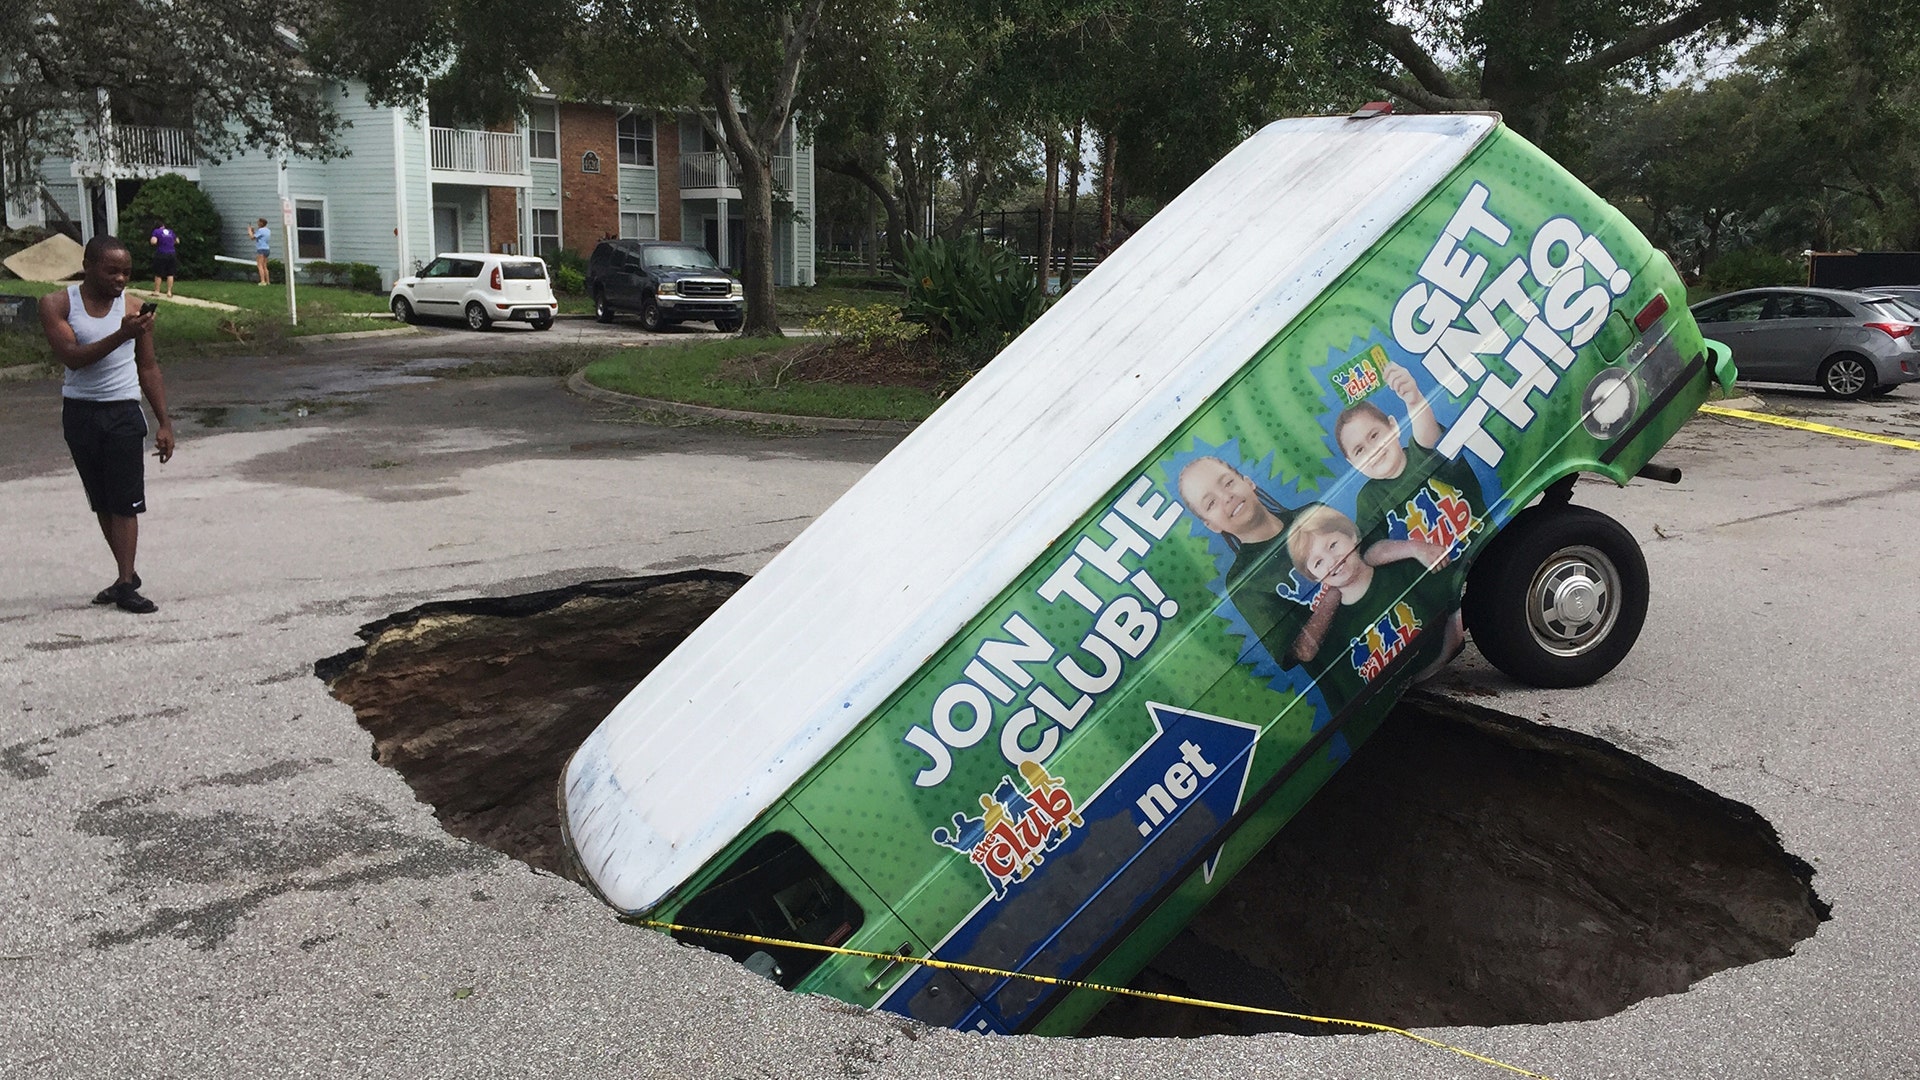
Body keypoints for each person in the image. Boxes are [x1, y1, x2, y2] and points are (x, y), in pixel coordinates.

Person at [38, 235, 174, 614]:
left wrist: (164, 422)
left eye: (127, 272)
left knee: (126, 501)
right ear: (89, 266)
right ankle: (124, 576)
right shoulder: (57, 304)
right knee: (102, 499)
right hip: (80, 412)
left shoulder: (132, 309)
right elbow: (73, 358)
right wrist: (123, 333)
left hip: (123, 412)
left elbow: (147, 367)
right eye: (112, 270)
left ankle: (127, 585)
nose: (120, 279)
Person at [1285, 504, 1462, 708]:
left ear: (1352, 535)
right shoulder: (1338, 627)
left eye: (1332, 545)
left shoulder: (1402, 570)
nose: (1332, 561)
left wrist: (1441, 659)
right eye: (1318, 562)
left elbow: (1455, 608)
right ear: (1314, 577)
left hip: (1437, 670)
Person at [1176, 456, 1338, 666]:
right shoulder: (1243, 581)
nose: (1226, 497)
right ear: (1211, 525)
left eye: (1228, 483)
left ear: (1248, 482)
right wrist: (1335, 588)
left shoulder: (1315, 514)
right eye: (1211, 503)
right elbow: (1303, 649)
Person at [1335, 360, 1486, 563]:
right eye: (1359, 450)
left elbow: (1428, 438)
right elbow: (1370, 552)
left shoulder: (1419, 454)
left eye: (1374, 435)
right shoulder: (1369, 498)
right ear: (1352, 463)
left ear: (1393, 427)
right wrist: (1414, 548)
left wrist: (1413, 399)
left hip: (1486, 543)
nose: (1373, 450)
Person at [149, 220, 179, 298]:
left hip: (161, 253)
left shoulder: (156, 231)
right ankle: (169, 292)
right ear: (163, 226)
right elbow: (177, 241)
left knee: (158, 273)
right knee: (170, 273)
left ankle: (157, 291)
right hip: (172, 253)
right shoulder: (170, 231)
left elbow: (153, 241)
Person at [252, 218, 271, 284]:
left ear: (261, 223)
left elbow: (252, 237)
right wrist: (253, 232)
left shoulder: (260, 230)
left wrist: (249, 231)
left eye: (258, 222)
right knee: (265, 266)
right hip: (267, 249)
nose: (257, 223)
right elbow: (258, 236)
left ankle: (263, 281)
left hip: (261, 249)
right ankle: (268, 281)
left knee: (259, 265)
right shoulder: (268, 230)